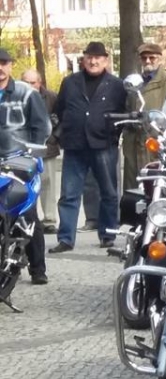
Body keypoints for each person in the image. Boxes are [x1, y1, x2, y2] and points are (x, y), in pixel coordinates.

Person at [50, 42, 126, 253]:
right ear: (83, 59)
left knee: (108, 192)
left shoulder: (116, 85)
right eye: (89, 57)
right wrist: (64, 130)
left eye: (98, 58)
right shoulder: (70, 82)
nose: (93, 61)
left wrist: (113, 135)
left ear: (106, 60)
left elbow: (123, 113)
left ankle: (108, 235)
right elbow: (60, 109)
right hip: (75, 145)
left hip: (104, 144)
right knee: (69, 194)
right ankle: (66, 239)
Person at [0, 51, 51, 284]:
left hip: (20, 161)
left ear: (10, 66)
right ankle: (7, 263)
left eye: (3, 63)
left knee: (26, 213)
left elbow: (42, 126)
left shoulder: (26, 93)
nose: (0, 68)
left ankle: (38, 269)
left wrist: (32, 154)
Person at [123, 43, 166, 190]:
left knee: (157, 188)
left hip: (157, 143)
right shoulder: (135, 82)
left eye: (152, 58)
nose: (147, 61)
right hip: (135, 145)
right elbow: (128, 108)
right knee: (134, 189)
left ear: (160, 59)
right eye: (144, 58)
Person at [22, 69, 59, 234]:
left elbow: (61, 117)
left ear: (40, 83)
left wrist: (55, 137)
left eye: (33, 83)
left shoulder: (51, 97)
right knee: (25, 184)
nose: (30, 86)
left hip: (47, 147)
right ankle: (27, 218)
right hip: (23, 147)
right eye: (26, 82)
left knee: (47, 183)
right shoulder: (16, 95)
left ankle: (49, 219)